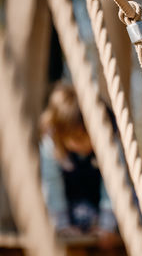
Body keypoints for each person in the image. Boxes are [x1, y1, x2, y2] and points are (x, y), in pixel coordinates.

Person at [39, 83, 119, 248]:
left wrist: (107, 226)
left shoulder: (109, 142)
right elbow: (52, 186)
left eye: (91, 136)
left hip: (107, 205)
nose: (87, 144)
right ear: (61, 134)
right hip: (72, 206)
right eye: (78, 139)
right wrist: (62, 226)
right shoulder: (52, 146)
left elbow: (114, 186)